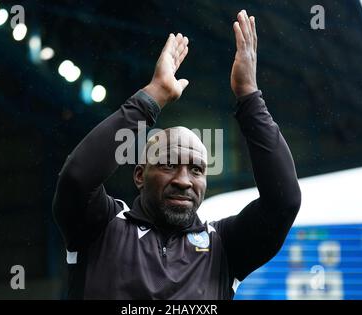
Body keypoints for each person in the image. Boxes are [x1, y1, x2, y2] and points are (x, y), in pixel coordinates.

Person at [52, 10, 301, 299]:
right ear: (140, 174)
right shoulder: (100, 227)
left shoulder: (224, 247)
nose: (184, 180)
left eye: (197, 170)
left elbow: (284, 202)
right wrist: (153, 97)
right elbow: (77, 178)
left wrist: (249, 96)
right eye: (169, 164)